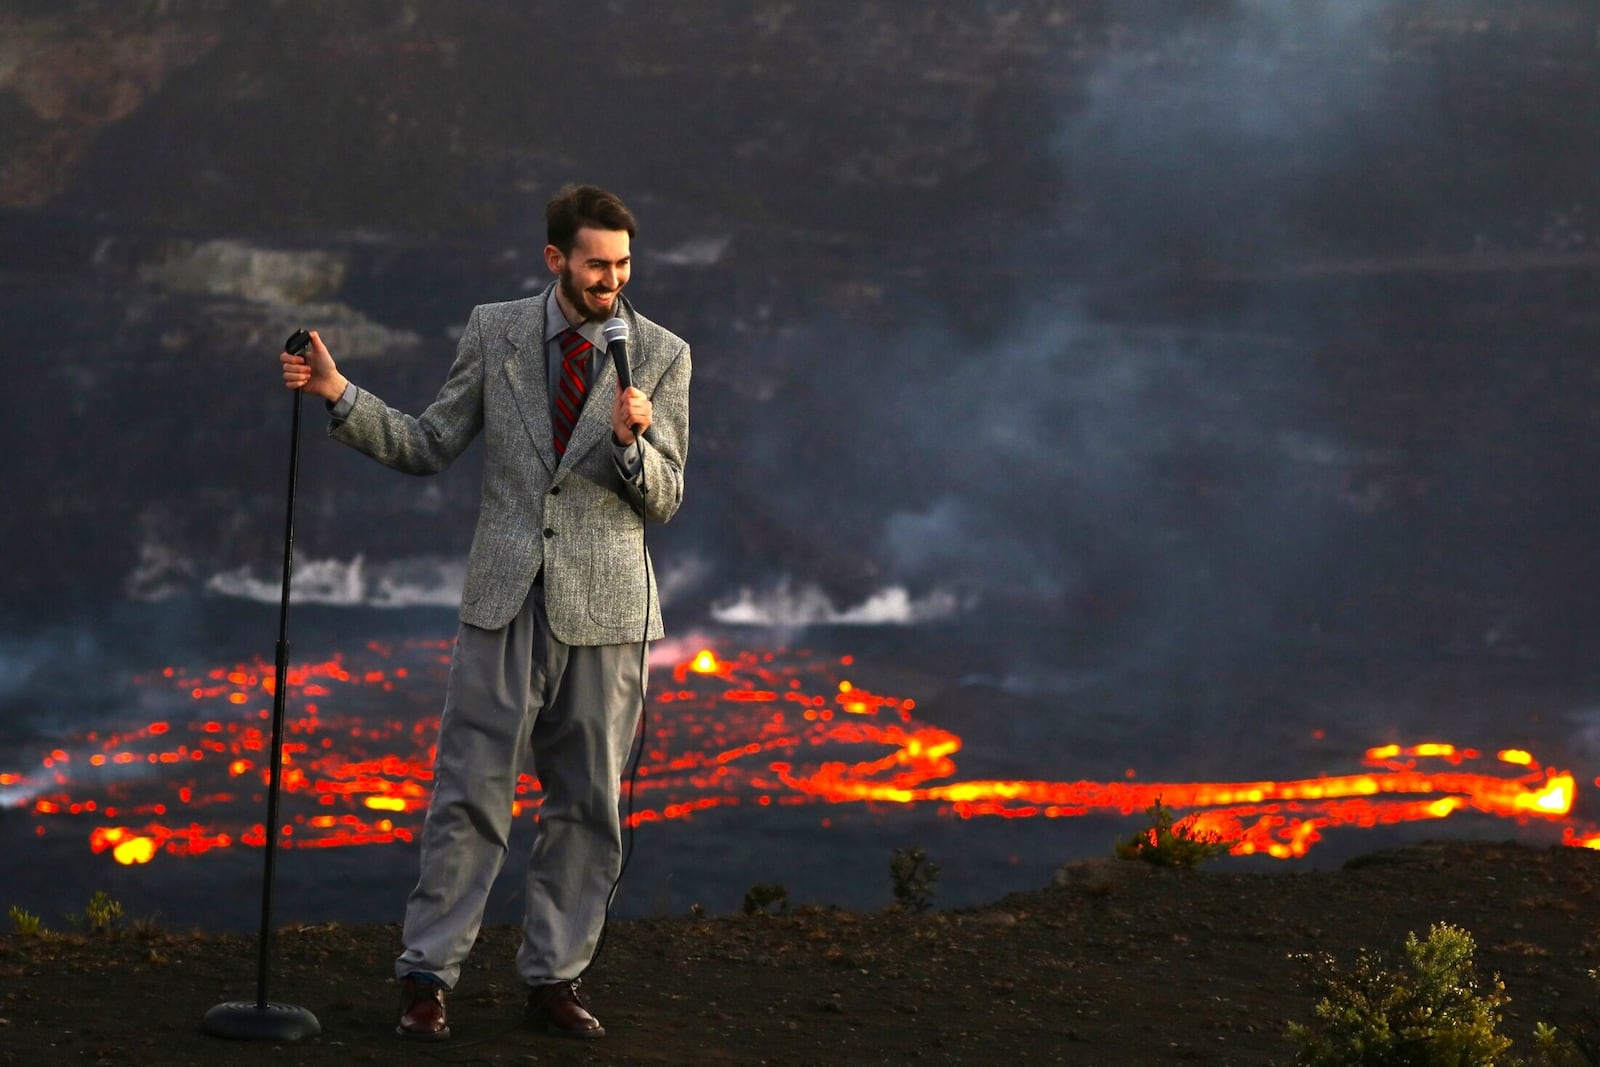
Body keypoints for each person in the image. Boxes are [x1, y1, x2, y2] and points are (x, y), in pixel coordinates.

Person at [279, 183, 690, 1041]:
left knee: (587, 805)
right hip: (504, 601)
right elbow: (431, 442)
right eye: (594, 265)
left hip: (609, 614)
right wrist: (338, 391)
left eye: (622, 265)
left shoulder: (661, 353)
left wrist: (629, 445)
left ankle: (555, 979)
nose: (611, 280)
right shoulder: (495, 329)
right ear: (555, 260)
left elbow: (666, 498)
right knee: (468, 791)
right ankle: (427, 976)